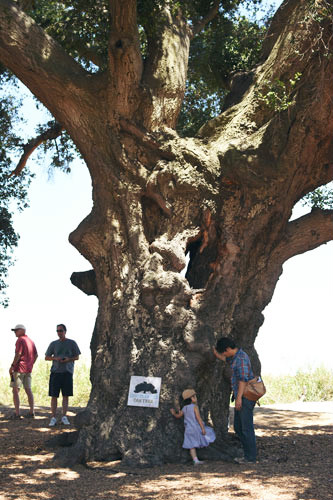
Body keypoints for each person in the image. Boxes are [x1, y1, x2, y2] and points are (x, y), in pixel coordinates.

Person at [213, 337, 256, 463]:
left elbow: (243, 380)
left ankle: (250, 457)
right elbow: (227, 360)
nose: (223, 355)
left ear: (227, 349)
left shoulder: (241, 358)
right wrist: (216, 354)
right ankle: (248, 453)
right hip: (241, 397)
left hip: (245, 397)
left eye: (223, 352)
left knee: (246, 427)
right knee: (238, 426)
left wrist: (238, 399)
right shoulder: (235, 358)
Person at [45, 324, 81, 427]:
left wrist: (68, 359)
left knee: (66, 395)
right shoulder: (53, 344)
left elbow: (77, 357)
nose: (59, 332)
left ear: (65, 331)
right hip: (55, 372)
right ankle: (53, 417)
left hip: (67, 372)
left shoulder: (72, 343)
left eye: (60, 330)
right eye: (57, 331)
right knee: (54, 396)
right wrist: (55, 359)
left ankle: (64, 416)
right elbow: (47, 357)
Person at [170, 388, 215, 465]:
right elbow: (198, 419)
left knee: (191, 445)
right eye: (195, 396)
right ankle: (198, 457)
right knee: (207, 434)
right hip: (195, 427)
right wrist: (203, 428)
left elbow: (178, 416)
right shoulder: (194, 407)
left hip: (188, 429)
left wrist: (173, 413)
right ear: (192, 398)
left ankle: (195, 460)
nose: (196, 398)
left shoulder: (184, 408)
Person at [9, 324, 38, 419]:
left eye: (16, 330)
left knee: (15, 390)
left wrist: (12, 365)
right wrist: (30, 364)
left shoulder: (20, 340)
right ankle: (31, 411)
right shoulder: (31, 341)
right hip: (28, 369)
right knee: (28, 390)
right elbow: (36, 355)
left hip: (19, 368)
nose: (15, 332)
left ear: (22, 330)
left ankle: (17, 413)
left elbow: (18, 354)